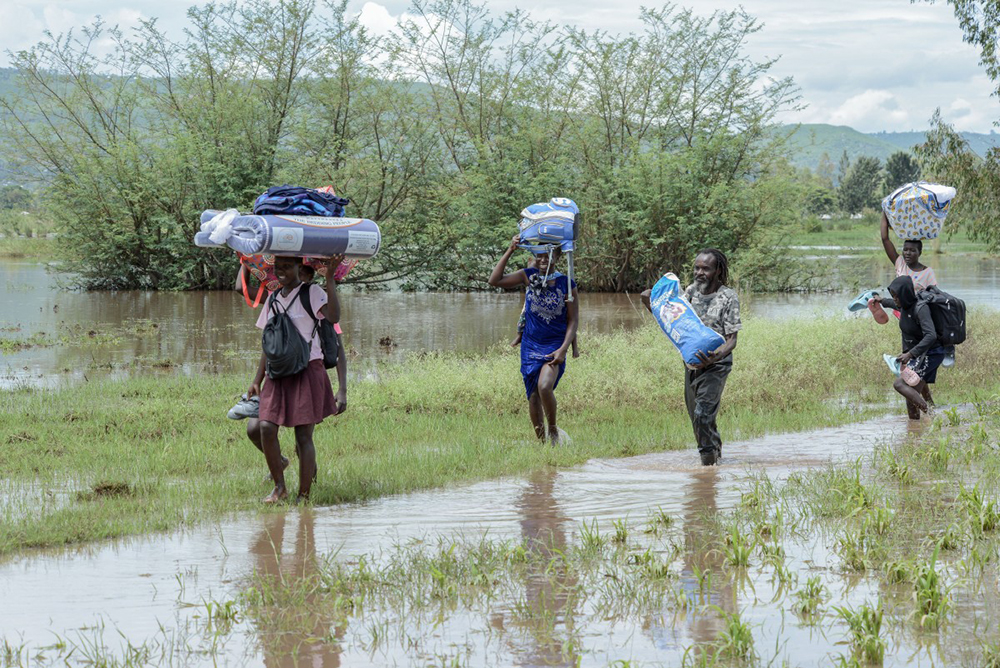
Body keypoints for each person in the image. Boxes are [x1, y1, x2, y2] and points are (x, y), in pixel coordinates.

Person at [248, 255, 348, 503]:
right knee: (265, 427)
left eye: (287, 267)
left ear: (298, 267)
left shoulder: (312, 292)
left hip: (307, 369)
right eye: (277, 267)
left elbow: (333, 317)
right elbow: (268, 343)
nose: (281, 271)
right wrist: (256, 379)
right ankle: (279, 488)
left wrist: (329, 281)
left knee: (303, 436)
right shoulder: (272, 299)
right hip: (278, 372)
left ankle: (304, 496)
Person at [641, 249, 741, 466]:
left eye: (706, 268)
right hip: (692, 364)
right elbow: (671, 317)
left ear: (718, 270)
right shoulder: (691, 292)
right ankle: (715, 459)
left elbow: (732, 340)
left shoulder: (728, 297)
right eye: (697, 268)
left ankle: (706, 470)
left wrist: (713, 358)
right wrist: (651, 303)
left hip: (717, 364)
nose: (699, 272)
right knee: (698, 418)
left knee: (702, 414)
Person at [489, 234, 578, 444]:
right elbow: (495, 280)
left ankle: (553, 430)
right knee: (533, 395)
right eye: (539, 256)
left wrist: (564, 349)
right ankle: (542, 443)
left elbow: (573, 320)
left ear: (557, 257)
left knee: (545, 387)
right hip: (530, 345)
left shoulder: (567, 283)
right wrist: (511, 249)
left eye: (548, 256)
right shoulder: (527, 275)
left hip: (555, 345)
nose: (543, 260)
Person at [880, 276, 945, 419]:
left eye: (897, 296)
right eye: (893, 296)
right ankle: (915, 431)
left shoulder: (920, 308)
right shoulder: (904, 305)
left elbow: (931, 335)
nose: (895, 300)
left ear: (905, 295)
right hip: (921, 354)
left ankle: (933, 416)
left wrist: (910, 354)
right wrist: (881, 301)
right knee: (913, 395)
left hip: (932, 353)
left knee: (901, 385)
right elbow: (893, 304)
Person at [510, 257, 579, 358]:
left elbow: (573, 319)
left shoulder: (556, 278)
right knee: (523, 318)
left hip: (552, 303)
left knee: (570, 321)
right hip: (533, 302)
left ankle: (575, 348)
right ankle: (519, 336)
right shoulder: (531, 276)